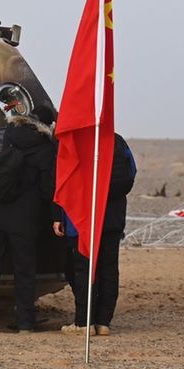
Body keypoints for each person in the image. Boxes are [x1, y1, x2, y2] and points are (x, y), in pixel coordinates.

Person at [0, 111, 56, 332]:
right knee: (24, 270)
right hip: (24, 217)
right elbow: (49, 188)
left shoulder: (10, 133)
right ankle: (25, 322)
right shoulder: (46, 148)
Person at [58, 133, 136, 335]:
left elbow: (67, 177)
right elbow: (131, 174)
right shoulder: (118, 141)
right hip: (113, 217)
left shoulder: (80, 140)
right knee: (109, 268)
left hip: (84, 216)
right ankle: (103, 322)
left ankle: (84, 323)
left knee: (84, 269)